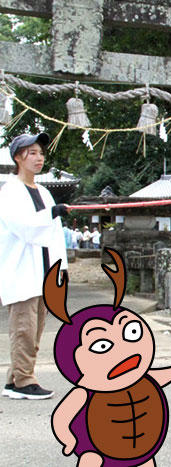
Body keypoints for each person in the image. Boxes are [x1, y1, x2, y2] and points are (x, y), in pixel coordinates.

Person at [0, 132, 69, 400]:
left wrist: (60, 269)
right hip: (21, 270)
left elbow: (53, 235)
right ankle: (24, 381)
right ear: (18, 157)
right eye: (32, 153)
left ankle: (14, 378)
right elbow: (24, 227)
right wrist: (51, 214)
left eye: (41, 153)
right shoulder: (10, 191)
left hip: (43, 271)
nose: (39, 158)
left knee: (36, 326)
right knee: (24, 327)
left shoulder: (43, 191)